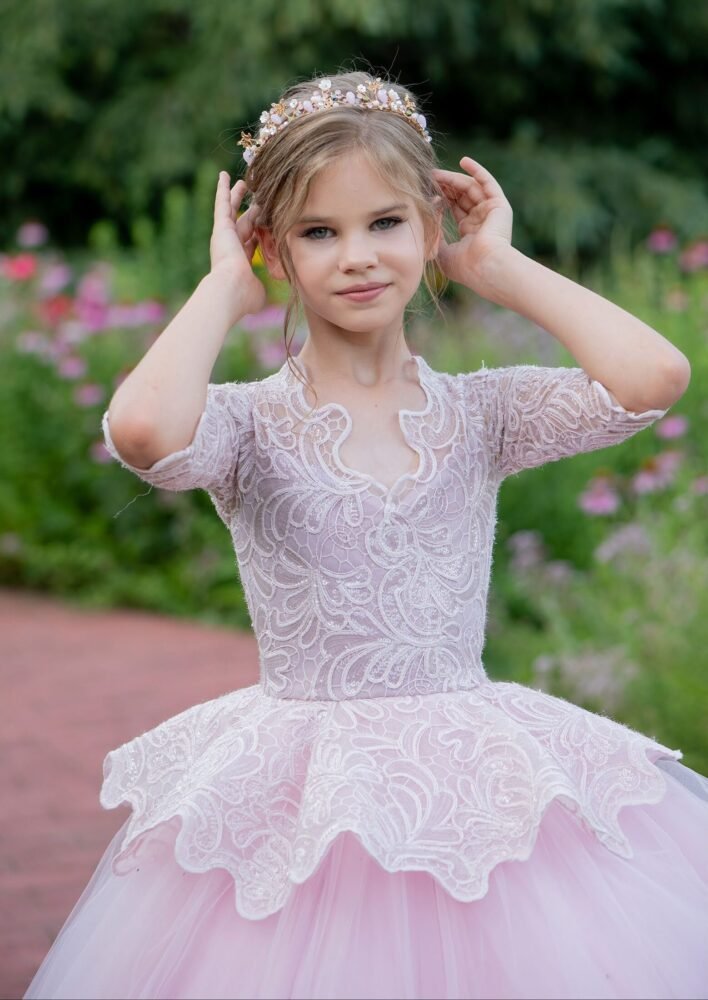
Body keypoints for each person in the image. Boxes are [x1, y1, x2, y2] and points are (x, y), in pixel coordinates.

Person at [25, 70, 708, 1000]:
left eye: (386, 222)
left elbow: (653, 377)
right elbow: (144, 431)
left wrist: (498, 269)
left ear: (430, 228)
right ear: (275, 248)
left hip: (472, 784)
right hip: (307, 803)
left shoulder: (483, 412)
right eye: (318, 232)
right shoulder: (247, 425)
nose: (357, 257)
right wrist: (224, 289)